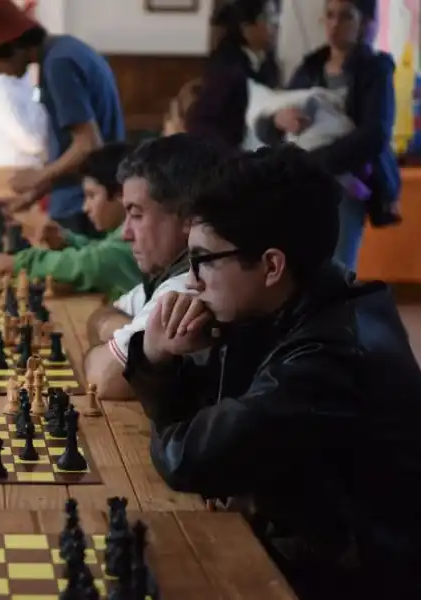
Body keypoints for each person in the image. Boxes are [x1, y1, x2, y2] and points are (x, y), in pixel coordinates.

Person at [123, 145, 421, 598]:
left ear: (271, 265)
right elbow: (204, 426)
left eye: (203, 260)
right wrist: (160, 356)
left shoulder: (329, 355)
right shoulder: (281, 304)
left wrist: (165, 385)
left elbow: (192, 459)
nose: (193, 279)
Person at [256, 0, 400, 271]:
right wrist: (277, 120)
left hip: (346, 181)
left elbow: (375, 133)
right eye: (330, 16)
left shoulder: (374, 69)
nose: (335, 24)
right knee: (299, 263)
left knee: (338, 266)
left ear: (364, 24)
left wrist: (314, 164)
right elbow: (268, 123)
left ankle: (338, 313)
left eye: (346, 17)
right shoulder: (310, 67)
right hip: (302, 182)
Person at [83, 134, 229, 398]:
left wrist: (121, 339)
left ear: (188, 217)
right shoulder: (168, 274)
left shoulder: (187, 285)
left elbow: (103, 379)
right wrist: (125, 332)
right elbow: (98, 317)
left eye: (137, 215)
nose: (126, 232)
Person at [0, 0, 125, 236]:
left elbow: (88, 146)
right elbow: (72, 151)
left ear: (12, 46)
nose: (0, 72)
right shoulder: (64, 50)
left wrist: (36, 177)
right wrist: (34, 194)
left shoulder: (58, 64)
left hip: (81, 206)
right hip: (81, 196)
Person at [0, 143, 140, 300]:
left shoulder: (133, 241)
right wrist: (66, 240)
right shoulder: (122, 240)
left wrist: (20, 262)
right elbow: (101, 251)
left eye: (92, 196)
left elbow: (91, 263)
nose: (85, 207)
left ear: (122, 196)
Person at [186, 0, 280, 149]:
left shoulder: (258, 61)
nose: (273, 27)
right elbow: (204, 120)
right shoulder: (227, 65)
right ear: (246, 29)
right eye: (266, 20)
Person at [0, 46, 48, 202]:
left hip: (18, 174)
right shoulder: (1, 89)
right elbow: (32, 140)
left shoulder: (16, 85)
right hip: (16, 177)